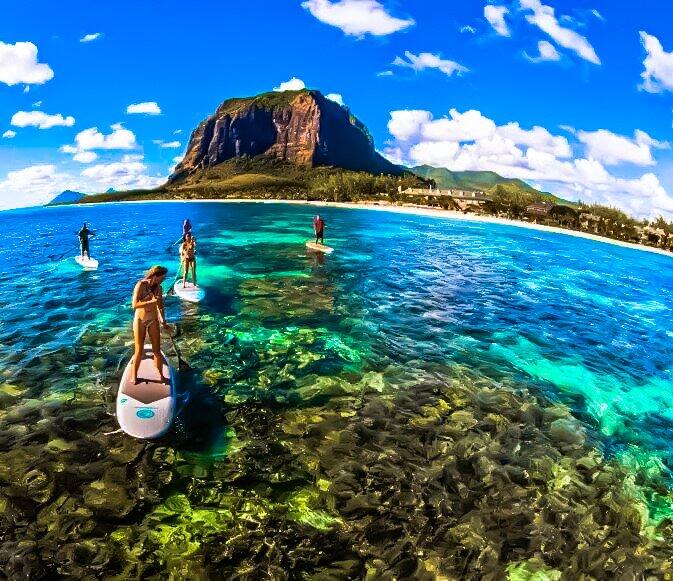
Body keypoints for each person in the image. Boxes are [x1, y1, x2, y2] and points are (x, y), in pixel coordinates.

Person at [131, 265, 171, 385]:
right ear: (155, 276)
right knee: (139, 350)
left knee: (157, 351)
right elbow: (134, 305)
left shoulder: (159, 288)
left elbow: (160, 306)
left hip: (153, 320)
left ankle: (160, 375)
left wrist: (163, 321)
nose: (164, 279)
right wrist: (150, 301)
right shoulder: (141, 285)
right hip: (140, 320)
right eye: (162, 277)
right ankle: (134, 376)